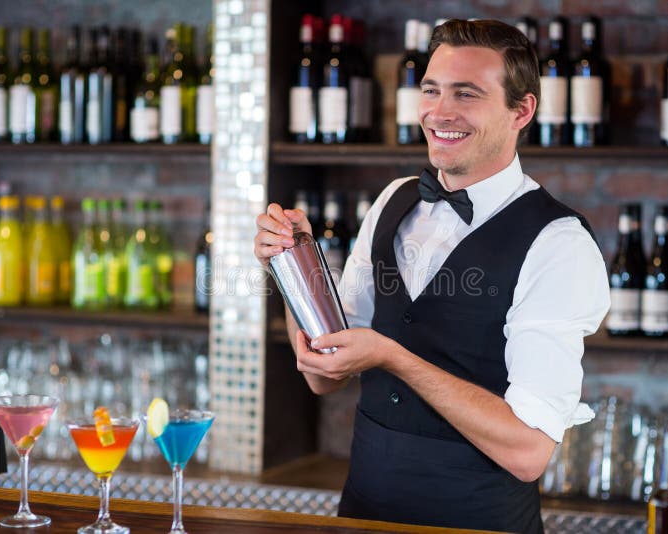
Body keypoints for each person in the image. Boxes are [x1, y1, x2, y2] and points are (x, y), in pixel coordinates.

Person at [254, 18, 610, 534]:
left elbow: (529, 450)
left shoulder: (558, 243)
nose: (440, 113)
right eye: (431, 89)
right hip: (362, 518)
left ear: (522, 110)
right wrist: (292, 263)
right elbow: (321, 373)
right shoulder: (392, 200)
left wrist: (395, 357)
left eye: (466, 94)